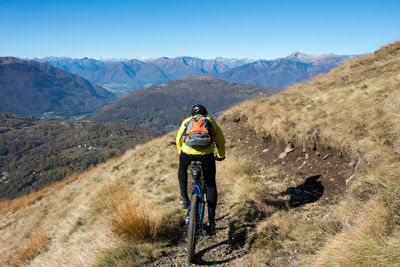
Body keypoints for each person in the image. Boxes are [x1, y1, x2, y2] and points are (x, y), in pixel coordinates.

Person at [176, 104, 225, 235]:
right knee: (210, 184)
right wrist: (221, 155)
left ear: (193, 114)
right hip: (206, 156)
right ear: (204, 113)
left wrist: (182, 153)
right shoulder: (210, 121)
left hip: (187, 154)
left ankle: (184, 198)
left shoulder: (186, 121)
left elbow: (178, 139)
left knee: (181, 169)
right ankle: (211, 220)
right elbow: (220, 139)